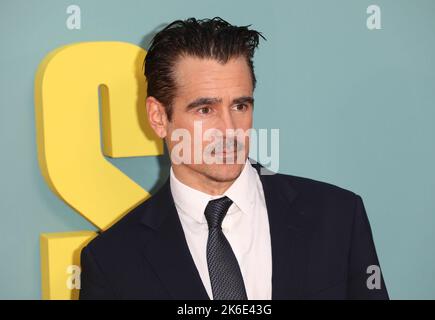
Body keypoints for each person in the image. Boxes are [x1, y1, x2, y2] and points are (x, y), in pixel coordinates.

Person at [79, 17, 388, 300]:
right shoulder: (112, 261)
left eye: (240, 106)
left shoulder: (337, 217)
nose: (229, 130)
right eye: (205, 109)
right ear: (159, 117)